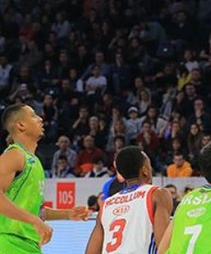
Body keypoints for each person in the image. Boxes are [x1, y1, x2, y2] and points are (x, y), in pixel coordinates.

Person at [0, 103, 90, 253]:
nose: (40, 119)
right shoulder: (14, 154)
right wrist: (34, 221)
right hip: (9, 242)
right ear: (21, 125)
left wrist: (67, 214)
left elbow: (36, 211)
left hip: (29, 245)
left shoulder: (33, 161)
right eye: (34, 116)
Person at [85, 146, 173, 254]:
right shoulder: (156, 194)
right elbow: (165, 247)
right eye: (150, 166)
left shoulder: (107, 204)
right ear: (145, 170)